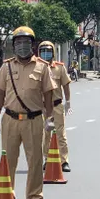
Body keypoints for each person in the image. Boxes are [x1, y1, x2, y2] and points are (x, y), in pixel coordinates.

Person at [0, 26, 57, 199]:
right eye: (18, 43)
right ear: (13, 45)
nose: (22, 46)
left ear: (32, 45)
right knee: (8, 160)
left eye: (25, 42)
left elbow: (48, 94)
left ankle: (34, 198)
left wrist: (49, 118)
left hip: (34, 120)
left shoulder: (42, 67)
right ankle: (7, 194)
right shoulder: (7, 66)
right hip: (10, 119)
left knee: (35, 160)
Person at [39, 40, 73, 172]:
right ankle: (47, 159)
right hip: (42, 107)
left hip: (56, 105)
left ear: (53, 52)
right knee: (45, 134)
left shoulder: (59, 67)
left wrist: (68, 102)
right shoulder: (37, 68)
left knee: (60, 133)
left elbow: (66, 85)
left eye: (48, 51)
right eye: (43, 51)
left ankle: (64, 161)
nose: (45, 53)